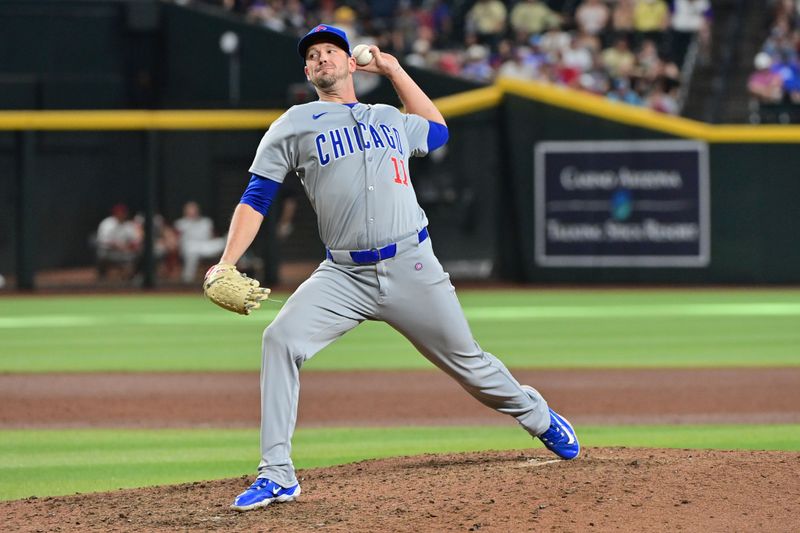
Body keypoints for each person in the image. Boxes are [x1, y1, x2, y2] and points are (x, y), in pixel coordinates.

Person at [207, 24, 580, 512]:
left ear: (350, 63)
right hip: (342, 276)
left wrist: (394, 69)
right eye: (313, 55)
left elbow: (439, 129)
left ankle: (537, 414)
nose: (322, 59)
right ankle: (277, 473)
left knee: (470, 365)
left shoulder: (388, 116)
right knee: (279, 341)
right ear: (307, 70)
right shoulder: (293, 124)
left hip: (411, 263)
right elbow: (256, 197)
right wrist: (225, 263)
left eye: (331, 52)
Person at [174, 201, 226, 283]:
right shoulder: (181, 223)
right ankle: (187, 279)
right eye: (190, 209)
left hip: (206, 245)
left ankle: (226, 275)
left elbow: (212, 236)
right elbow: (175, 239)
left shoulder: (206, 222)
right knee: (191, 250)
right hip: (189, 247)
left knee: (225, 242)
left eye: (194, 209)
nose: (192, 212)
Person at [95, 203, 142, 280]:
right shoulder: (107, 223)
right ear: (115, 213)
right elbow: (103, 240)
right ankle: (102, 278)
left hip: (125, 252)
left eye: (123, 212)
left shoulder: (128, 225)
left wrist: (132, 246)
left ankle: (131, 279)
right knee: (101, 253)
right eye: (119, 212)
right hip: (108, 252)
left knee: (137, 253)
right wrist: (119, 246)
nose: (121, 214)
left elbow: (135, 240)